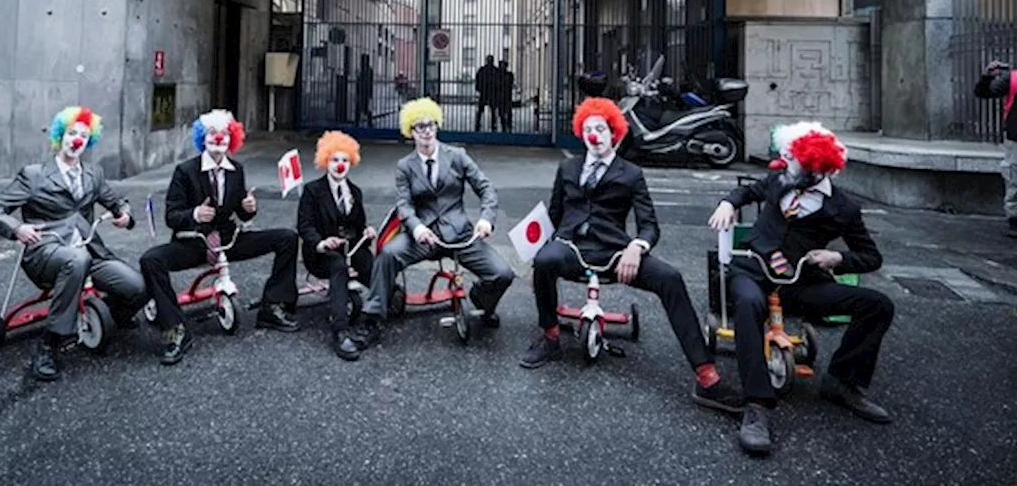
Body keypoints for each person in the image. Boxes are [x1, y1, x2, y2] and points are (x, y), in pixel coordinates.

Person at [519, 98, 744, 409]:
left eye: (600, 128)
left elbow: (649, 225)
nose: (593, 135)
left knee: (670, 278)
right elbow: (554, 216)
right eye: (587, 129)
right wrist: (535, 258)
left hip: (615, 250)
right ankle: (551, 336)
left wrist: (636, 248)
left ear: (614, 133)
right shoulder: (568, 167)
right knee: (545, 260)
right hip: (571, 247)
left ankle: (706, 375)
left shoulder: (631, 173)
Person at [708, 121, 894, 456]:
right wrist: (727, 202)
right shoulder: (780, 179)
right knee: (748, 305)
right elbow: (747, 192)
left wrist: (837, 256)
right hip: (754, 271)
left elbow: (871, 256)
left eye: (800, 166)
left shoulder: (844, 208)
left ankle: (842, 381)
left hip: (802, 283)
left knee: (878, 305)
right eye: (792, 161)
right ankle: (757, 404)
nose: (789, 168)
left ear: (822, 170)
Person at [0, 106, 148, 381]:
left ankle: (106, 317)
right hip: (46, 253)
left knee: (138, 287)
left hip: (90, 251)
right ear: (60, 136)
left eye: (83, 135)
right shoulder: (34, 175)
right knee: (75, 260)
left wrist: (124, 215)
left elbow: (117, 202)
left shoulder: (93, 174)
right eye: (71, 133)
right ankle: (49, 344)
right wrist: (18, 228)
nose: (76, 140)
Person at [139, 109, 300, 366]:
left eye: (224, 134)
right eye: (212, 133)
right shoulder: (185, 171)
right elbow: (172, 215)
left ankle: (272, 307)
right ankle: (175, 328)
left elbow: (241, 214)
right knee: (150, 260)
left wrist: (249, 208)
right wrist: (194, 213)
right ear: (203, 138)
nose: (218, 138)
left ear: (232, 139)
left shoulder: (236, 169)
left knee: (287, 238)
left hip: (229, 239)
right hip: (194, 241)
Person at [352, 97, 515, 345]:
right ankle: (371, 319)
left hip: (460, 234)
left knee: (502, 274)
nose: (427, 131)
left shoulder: (458, 156)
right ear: (411, 132)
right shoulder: (405, 166)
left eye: (431, 124)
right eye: (420, 127)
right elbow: (404, 205)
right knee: (387, 255)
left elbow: (486, 188)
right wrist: (416, 228)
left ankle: (482, 302)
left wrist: (486, 220)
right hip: (423, 236)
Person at [296, 131, 376, 361]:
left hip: (351, 248)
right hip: (322, 253)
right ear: (325, 161)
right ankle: (340, 331)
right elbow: (304, 226)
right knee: (338, 266)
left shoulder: (356, 192)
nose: (339, 165)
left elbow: (360, 226)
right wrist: (321, 243)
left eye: (344, 160)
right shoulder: (312, 191)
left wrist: (367, 232)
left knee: (372, 265)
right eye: (334, 160)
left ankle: (381, 308)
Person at [974, 59, 1017, 237]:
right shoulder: (1012, 78)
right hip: (1016, 139)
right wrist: (986, 77)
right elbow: (983, 92)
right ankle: (1015, 220)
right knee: (1014, 177)